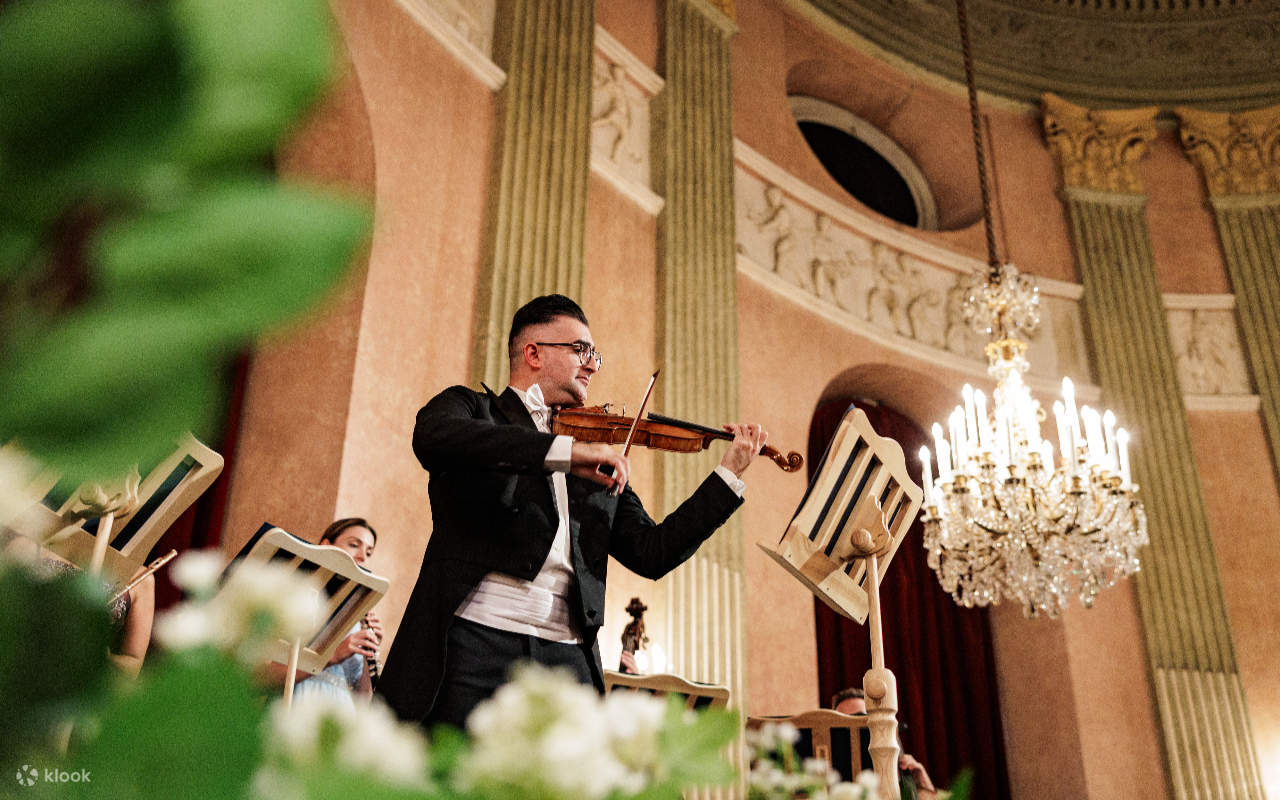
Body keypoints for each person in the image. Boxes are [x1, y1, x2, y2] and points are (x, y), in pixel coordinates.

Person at [378, 294, 768, 730]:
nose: (593, 365)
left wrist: (728, 474)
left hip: (568, 656)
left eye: (594, 355)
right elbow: (435, 436)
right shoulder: (475, 410)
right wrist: (564, 453)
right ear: (533, 353)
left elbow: (652, 552)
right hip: (476, 642)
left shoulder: (591, 452)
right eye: (581, 350)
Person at [278, 518, 384, 707]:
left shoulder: (358, 612)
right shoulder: (298, 599)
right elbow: (268, 675)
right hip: (300, 703)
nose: (363, 557)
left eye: (369, 552)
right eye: (354, 545)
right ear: (326, 545)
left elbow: (363, 697)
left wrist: (370, 655)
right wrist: (332, 656)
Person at [832, 687, 939, 799]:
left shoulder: (896, 770)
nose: (852, 732)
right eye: (843, 725)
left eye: (861, 720)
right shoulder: (825, 775)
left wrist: (922, 785)